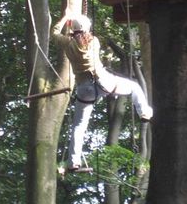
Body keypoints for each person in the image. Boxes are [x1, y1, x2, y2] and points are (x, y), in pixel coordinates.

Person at [52, 11, 153, 173]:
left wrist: (65, 17)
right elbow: (85, 37)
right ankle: (145, 113)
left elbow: (54, 33)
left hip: (85, 89)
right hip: (104, 82)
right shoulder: (94, 42)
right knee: (134, 87)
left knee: (79, 126)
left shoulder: (67, 43)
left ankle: (73, 162)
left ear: (73, 29)